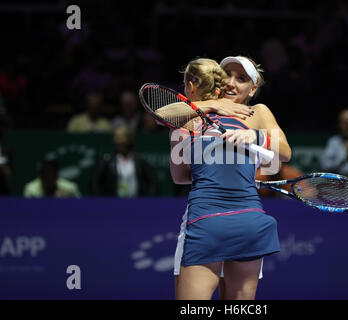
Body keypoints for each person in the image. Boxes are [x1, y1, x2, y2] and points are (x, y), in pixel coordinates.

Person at [171, 57, 291, 300]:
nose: (231, 83)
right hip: (208, 220)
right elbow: (163, 115)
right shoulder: (195, 110)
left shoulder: (258, 112)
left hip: (238, 220)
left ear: (253, 89)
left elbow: (285, 152)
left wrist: (254, 136)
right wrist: (212, 106)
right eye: (227, 74)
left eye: (242, 78)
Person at [92, 125, 159, 197]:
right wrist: (101, 201)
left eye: (120, 138)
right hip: (113, 205)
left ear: (129, 139)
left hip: (136, 204)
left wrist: (148, 202)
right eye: (115, 137)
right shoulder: (107, 161)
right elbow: (95, 182)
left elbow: (153, 182)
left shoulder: (139, 160)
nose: (117, 141)